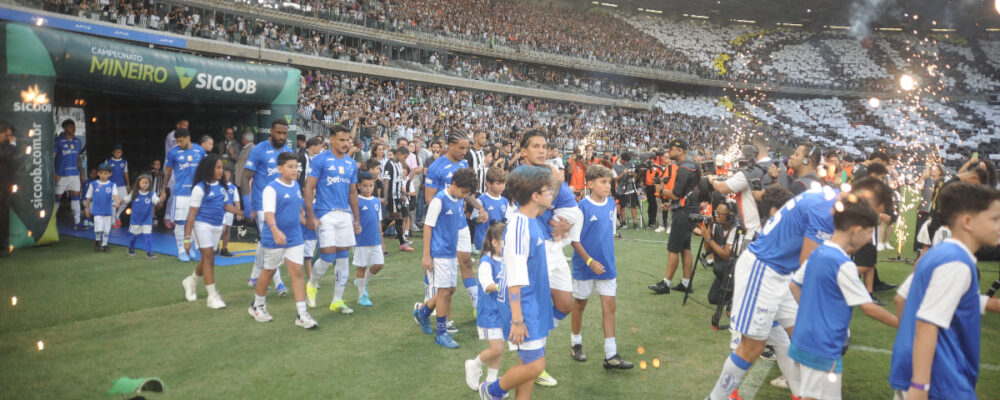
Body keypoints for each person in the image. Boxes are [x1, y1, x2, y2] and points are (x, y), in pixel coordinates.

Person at [704, 177, 893, 400]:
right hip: (764, 270)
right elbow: (810, 263)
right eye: (873, 211)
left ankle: (802, 394)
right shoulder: (827, 209)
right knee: (752, 346)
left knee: (794, 336)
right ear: (865, 198)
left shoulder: (830, 199)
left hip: (781, 272)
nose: (870, 220)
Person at [889, 183, 1000, 400]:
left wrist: (910, 346)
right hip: (941, 380)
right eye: (994, 219)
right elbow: (928, 322)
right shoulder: (957, 263)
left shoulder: (937, 253)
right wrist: (920, 385)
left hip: (917, 372)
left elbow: (901, 298)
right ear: (967, 221)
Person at [788, 196, 899, 400]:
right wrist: (903, 324)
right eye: (869, 233)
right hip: (823, 349)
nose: (869, 239)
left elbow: (794, 284)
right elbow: (868, 307)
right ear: (856, 231)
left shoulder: (818, 252)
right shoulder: (842, 264)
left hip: (802, 341)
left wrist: (809, 314)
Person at [479, 165, 555, 400]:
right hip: (524, 305)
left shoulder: (532, 219)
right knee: (535, 365)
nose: (552, 193)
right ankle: (491, 391)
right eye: (548, 190)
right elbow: (514, 277)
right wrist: (517, 319)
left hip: (535, 302)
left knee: (529, 365)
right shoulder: (520, 225)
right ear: (535, 196)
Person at [518, 130, 580, 387]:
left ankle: (533, 341)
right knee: (535, 307)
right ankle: (532, 363)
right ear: (524, 152)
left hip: (554, 248)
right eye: (535, 146)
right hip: (532, 249)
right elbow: (535, 208)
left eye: (544, 146)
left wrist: (566, 222)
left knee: (565, 304)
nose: (542, 151)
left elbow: (572, 206)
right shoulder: (519, 176)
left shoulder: (550, 173)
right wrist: (554, 184)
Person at [568, 165, 634, 370]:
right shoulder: (582, 207)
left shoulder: (612, 205)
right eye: (603, 182)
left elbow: (609, 234)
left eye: (609, 182)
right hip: (585, 267)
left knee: (609, 306)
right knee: (580, 304)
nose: (608, 186)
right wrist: (589, 261)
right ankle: (575, 343)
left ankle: (610, 354)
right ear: (590, 184)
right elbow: (574, 240)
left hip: (606, 267)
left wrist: (604, 260)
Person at [423, 132, 489, 328]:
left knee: (466, 262)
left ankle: (477, 305)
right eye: (461, 148)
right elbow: (430, 199)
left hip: (460, 224)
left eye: (467, 148)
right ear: (449, 145)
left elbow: (465, 192)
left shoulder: (462, 165)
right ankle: (433, 310)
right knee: (443, 274)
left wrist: (478, 207)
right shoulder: (436, 167)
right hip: (445, 225)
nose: (464, 151)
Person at [247, 152, 317, 329]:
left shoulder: (295, 186)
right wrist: (275, 230)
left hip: (295, 238)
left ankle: (301, 314)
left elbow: (298, 212)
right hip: (275, 239)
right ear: (280, 169)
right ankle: (258, 305)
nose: (295, 170)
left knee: (297, 272)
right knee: (269, 271)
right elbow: (269, 214)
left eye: (296, 167)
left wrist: (308, 222)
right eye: (290, 167)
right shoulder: (271, 189)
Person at [412, 168, 478, 349]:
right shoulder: (439, 200)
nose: (465, 195)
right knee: (443, 292)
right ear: (454, 184)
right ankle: (441, 333)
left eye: (467, 193)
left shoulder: (458, 200)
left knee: (450, 290)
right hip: (438, 253)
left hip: (450, 253)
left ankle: (422, 313)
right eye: (463, 191)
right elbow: (428, 226)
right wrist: (426, 255)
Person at [304, 124, 361, 315]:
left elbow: (353, 193)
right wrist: (310, 215)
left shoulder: (350, 163)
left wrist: (356, 220)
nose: (346, 144)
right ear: (332, 140)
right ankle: (312, 284)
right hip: (325, 213)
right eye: (342, 140)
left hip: (344, 214)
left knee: (343, 257)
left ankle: (337, 300)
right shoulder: (320, 160)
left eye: (348, 140)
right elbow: (309, 188)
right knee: (328, 256)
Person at [181, 155, 242, 309]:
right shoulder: (200, 188)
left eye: (222, 167)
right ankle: (212, 296)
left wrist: (242, 212)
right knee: (209, 258)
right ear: (209, 169)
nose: (222, 171)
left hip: (217, 226)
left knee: (209, 257)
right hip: (202, 225)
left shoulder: (223, 187)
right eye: (218, 168)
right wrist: (187, 239)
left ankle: (192, 281)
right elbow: (191, 215)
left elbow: (226, 205)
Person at [243, 120, 294, 295]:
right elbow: (246, 176)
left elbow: (293, 180)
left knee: (265, 243)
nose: (281, 136)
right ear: (271, 131)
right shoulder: (259, 150)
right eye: (278, 133)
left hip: (283, 206)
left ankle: (254, 276)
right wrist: (247, 204)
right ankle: (279, 284)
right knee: (274, 242)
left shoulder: (289, 152)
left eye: (284, 133)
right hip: (263, 205)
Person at [648, 138, 700, 294]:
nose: (668, 152)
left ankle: (666, 283)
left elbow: (677, 194)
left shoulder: (684, 168)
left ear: (680, 150)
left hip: (684, 212)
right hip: (689, 209)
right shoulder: (692, 165)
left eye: (670, 149)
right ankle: (686, 283)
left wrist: (660, 189)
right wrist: (672, 205)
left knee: (674, 248)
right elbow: (686, 193)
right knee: (685, 247)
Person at [464, 222, 507, 391]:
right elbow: (487, 286)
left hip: (502, 313)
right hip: (489, 313)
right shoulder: (486, 262)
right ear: (495, 242)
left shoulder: (506, 259)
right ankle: (474, 364)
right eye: (506, 242)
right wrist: (504, 285)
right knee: (496, 348)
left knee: (500, 348)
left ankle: (490, 383)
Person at [161, 128, 207, 262]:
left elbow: (205, 170)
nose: (179, 143)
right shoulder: (173, 153)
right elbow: (168, 172)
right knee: (181, 223)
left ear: (188, 137)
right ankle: (181, 249)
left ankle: (189, 246)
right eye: (177, 141)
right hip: (180, 193)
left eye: (181, 141)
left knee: (193, 222)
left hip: (197, 193)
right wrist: (163, 189)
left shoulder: (199, 150)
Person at [353, 172, 384, 307]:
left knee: (379, 265)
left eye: (371, 186)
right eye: (365, 186)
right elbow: (352, 221)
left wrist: (382, 241)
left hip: (375, 240)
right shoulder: (356, 201)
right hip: (362, 241)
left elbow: (378, 222)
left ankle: (362, 282)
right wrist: (355, 227)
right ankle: (362, 295)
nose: (368, 188)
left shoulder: (376, 201)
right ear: (359, 186)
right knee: (362, 267)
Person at [54, 119, 85, 230]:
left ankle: (77, 223)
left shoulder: (77, 141)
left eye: (74, 126)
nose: (74, 129)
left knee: (76, 197)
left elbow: (78, 158)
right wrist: (54, 173)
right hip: (61, 174)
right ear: (65, 128)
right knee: (57, 198)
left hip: (74, 175)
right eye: (71, 126)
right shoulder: (59, 141)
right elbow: (52, 157)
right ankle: (51, 223)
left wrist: (82, 173)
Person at [383, 146, 415, 252]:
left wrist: (402, 193)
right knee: (395, 218)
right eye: (404, 157)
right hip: (392, 196)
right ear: (399, 153)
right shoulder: (389, 164)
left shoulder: (398, 164)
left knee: (395, 218)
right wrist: (386, 197)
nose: (404, 160)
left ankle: (402, 243)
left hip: (397, 196)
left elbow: (399, 181)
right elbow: (386, 181)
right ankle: (377, 238)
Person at [85, 163, 120, 252]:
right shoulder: (93, 184)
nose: (103, 175)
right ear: (98, 173)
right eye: (101, 173)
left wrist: (117, 202)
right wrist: (87, 209)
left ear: (109, 174)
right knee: (98, 228)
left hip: (107, 210)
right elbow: (88, 197)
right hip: (97, 210)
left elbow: (115, 195)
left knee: (106, 230)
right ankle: (97, 240)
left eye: (105, 173)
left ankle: (104, 245)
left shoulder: (112, 185)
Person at [475, 168, 508, 252]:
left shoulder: (505, 201)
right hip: (484, 241)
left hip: (499, 242)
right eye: (498, 184)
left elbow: (507, 222)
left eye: (503, 183)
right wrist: (479, 218)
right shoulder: (481, 200)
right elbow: (473, 220)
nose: (501, 186)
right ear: (489, 184)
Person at [126, 174, 159, 259]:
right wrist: (118, 202)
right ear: (138, 184)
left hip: (147, 220)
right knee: (134, 236)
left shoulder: (152, 194)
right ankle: (131, 248)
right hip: (136, 220)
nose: (145, 184)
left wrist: (161, 200)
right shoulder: (134, 193)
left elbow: (157, 201)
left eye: (147, 183)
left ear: (149, 184)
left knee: (148, 236)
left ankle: (149, 253)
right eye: (143, 183)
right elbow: (126, 199)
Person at [613, 152, 640, 230]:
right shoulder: (615, 166)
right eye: (625, 161)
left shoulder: (631, 164)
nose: (627, 163)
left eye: (628, 161)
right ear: (621, 159)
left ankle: (635, 223)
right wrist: (623, 173)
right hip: (621, 189)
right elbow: (615, 179)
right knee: (622, 207)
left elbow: (636, 176)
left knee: (633, 206)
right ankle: (623, 222)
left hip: (631, 187)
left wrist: (633, 173)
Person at [105, 145, 130, 228]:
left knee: (126, 200)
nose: (117, 154)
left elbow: (126, 173)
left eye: (119, 152)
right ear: (113, 152)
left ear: (121, 153)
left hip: (122, 185)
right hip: (112, 185)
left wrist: (128, 184)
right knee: (113, 203)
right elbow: (105, 173)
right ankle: (112, 221)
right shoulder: (108, 161)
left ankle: (117, 215)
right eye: (116, 152)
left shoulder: (124, 162)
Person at [0, 121, 15, 256]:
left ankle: (3, 247)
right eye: (6, 135)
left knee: (4, 217)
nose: (7, 138)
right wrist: (13, 144)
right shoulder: (6, 147)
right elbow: (5, 155)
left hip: (4, 186)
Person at [219, 169, 240, 257]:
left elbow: (236, 200)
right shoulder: (218, 185)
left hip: (230, 211)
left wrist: (238, 212)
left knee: (227, 230)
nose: (226, 176)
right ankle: (214, 246)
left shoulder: (233, 187)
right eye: (225, 174)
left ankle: (224, 248)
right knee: (220, 229)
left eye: (228, 174)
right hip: (220, 210)